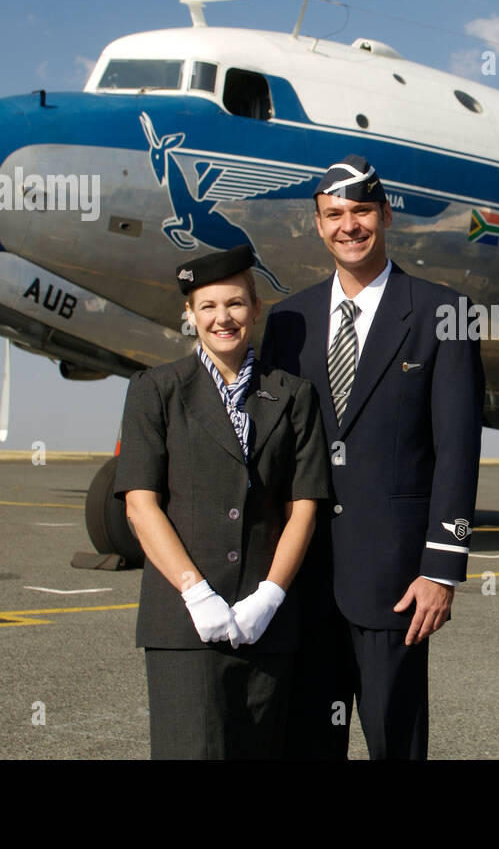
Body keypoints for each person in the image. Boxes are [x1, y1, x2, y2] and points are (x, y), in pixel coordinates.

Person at [263, 155, 484, 760]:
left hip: (396, 581)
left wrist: (441, 569)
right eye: (334, 214)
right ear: (317, 225)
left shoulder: (446, 313)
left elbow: (458, 451)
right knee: (307, 742)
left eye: (361, 211)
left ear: (386, 215)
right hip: (301, 579)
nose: (349, 225)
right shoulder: (287, 321)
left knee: (395, 740)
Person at [114, 245, 330, 759]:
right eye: (207, 307)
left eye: (235, 304)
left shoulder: (293, 396)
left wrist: (270, 596)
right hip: (183, 625)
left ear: (256, 310)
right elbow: (140, 505)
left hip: (267, 626)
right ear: (189, 316)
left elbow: (304, 507)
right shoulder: (156, 390)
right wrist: (196, 593)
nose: (222, 318)